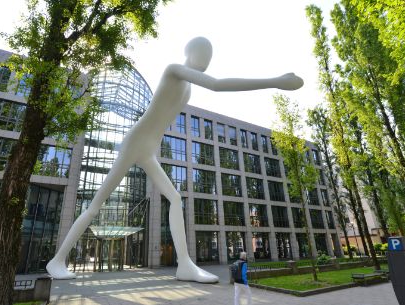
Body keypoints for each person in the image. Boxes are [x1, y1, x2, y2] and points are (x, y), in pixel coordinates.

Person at [46, 36, 303, 283]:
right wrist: (274, 81)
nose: (208, 59)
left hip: (148, 149)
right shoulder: (174, 70)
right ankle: (57, 260)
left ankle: (185, 265)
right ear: (190, 52)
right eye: (204, 53)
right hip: (134, 142)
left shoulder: (188, 87)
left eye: (210, 55)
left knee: (176, 199)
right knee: (95, 205)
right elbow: (216, 84)